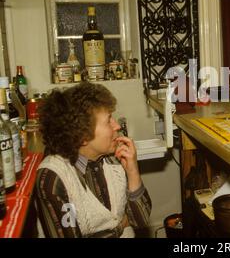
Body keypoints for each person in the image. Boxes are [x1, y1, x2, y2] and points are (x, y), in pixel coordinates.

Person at [35, 82, 152, 238]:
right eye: (109, 120)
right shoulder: (53, 179)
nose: (116, 125)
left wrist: (132, 171)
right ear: (83, 135)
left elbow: (140, 220)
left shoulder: (113, 158)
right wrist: (119, 228)